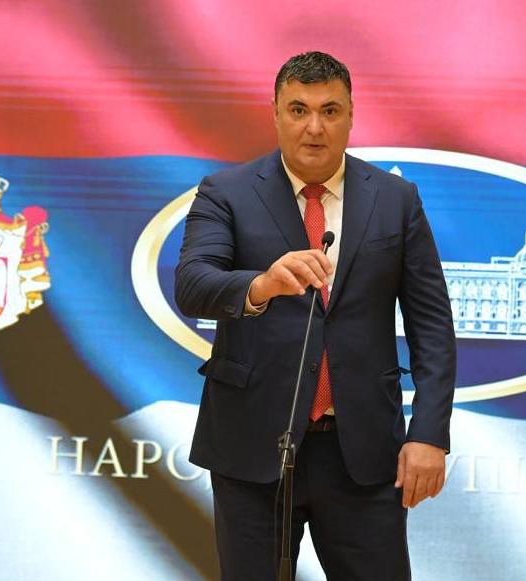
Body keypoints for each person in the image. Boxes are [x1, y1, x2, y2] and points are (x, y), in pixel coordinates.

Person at [175, 51, 456, 581]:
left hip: (361, 451)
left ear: (351, 116)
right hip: (253, 446)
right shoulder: (226, 193)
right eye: (298, 110)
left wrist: (429, 433)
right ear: (275, 113)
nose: (314, 127)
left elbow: (432, 326)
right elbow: (193, 285)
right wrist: (261, 284)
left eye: (330, 111)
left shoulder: (396, 199)